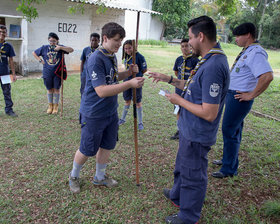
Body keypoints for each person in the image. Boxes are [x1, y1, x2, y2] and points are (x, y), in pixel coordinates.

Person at [149, 16, 230, 224]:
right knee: (182, 165)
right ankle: (177, 195)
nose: (189, 43)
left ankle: (188, 216)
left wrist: (178, 100)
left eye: (191, 38)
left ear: (200, 36)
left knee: (193, 174)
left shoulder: (213, 65)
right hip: (189, 128)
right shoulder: (208, 59)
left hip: (198, 132)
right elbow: (194, 86)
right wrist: (169, 79)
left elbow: (209, 112)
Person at [68, 22, 145, 194]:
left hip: (110, 112)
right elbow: (102, 91)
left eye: (121, 40)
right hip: (94, 113)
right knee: (87, 149)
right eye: (117, 40)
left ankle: (100, 177)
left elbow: (113, 77)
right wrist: (129, 83)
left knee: (107, 145)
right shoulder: (96, 58)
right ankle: (73, 176)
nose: (120, 44)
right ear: (105, 38)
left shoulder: (111, 55)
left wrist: (129, 73)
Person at [212, 23, 273, 179]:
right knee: (234, 130)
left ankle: (229, 169)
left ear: (248, 35)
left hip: (239, 98)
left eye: (238, 36)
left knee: (229, 129)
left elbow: (267, 76)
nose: (236, 39)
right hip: (232, 95)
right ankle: (229, 161)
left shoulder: (256, 53)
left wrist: (251, 95)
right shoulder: (247, 51)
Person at [32, 32, 74, 114]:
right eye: (50, 41)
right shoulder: (44, 48)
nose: (52, 43)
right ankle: (50, 106)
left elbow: (71, 50)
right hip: (47, 72)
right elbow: (34, 53)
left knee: (56, 89)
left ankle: (56, 106)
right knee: (49, 89)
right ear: (48, 40)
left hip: (57, 72)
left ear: (57, 41)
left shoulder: (60, 47)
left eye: (54, 41)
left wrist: (61, 47)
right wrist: (40, 60)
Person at [170, 38, 199, 140]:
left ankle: (188, 131)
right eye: (182, 46)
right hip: (179, 89)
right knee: (178, 110)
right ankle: (179, 130)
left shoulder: (195, 60)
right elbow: (176, 72)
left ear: (191, 47)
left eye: (187, 46)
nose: (184, 48)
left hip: (190, 90)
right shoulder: (179, 59)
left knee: (189, 110)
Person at [118, 39, 147, 130]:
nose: (127, 50)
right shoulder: (127, 57)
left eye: (129, 48)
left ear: (134, 47)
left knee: (137, 102)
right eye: (125, 49)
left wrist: (138, 75)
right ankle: (122, 119)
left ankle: (140, 122)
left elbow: (144, 69)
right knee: (127, 100)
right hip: (127, 82)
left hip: (136, 82)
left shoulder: (139, 57)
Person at [0, 25, 17, 117]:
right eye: (0, 32)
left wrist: (13, 74)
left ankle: (9, 110)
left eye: (3, 32)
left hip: (4, 73)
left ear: (6, 34)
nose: (2, 34)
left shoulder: (8, 46)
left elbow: (11, 60)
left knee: (7, 92)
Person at [80, 32, 100, 97]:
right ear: (90, 40)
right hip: (85, 74)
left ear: (99, 41)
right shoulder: (86, 50)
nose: (93, 42)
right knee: (83, 88)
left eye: (95, 40)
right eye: (92, 40)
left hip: (95, 74)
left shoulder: (100, 50)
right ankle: (83, 100)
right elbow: (82, 61)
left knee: (94, 89)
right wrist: (81, 73)